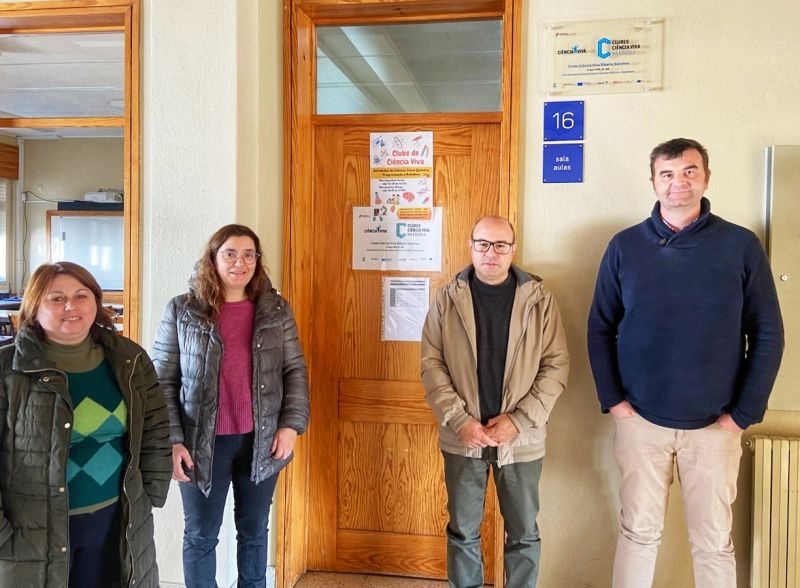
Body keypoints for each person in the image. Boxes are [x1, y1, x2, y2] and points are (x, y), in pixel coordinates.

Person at [587, 138, 784, 588]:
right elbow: (600, 327)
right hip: (640, 422)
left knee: (713, 543)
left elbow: (768, 335)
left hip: (716, 426)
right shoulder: (625, 246)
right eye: (668, 173)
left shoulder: (740, 245)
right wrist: (614, 401)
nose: (679, 182)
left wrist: (743, 415)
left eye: (690, 171)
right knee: (638, 534)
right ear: (653, 182)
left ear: (706, 178)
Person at [152, 224, 309, 588]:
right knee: (201, 535)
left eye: (249, 255)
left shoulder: (275, 310)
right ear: (213, 258)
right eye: (231, 254)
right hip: (199, 443)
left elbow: (294, 369)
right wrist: (172, 440)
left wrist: (290, 425)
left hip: (262, 440)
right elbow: (161, 381)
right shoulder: (182, 310)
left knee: (254, 532)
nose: (241, 263)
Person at [0, 261, 172, 587]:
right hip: (33, 534)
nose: (71, 306)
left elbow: (155, 428)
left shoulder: (129, 359)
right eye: (56, 298)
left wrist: (149, 493)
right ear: (34, 306)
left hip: (115, 521)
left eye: (81, 296)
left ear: (96, 302)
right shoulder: (7, 370)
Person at [421, 215, 570, 588]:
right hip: (463, 437)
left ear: (513, 249)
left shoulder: (539, 300)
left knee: (523, 533)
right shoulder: (446, 298)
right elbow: (431, 364)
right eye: (483, 244)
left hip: (521, 439)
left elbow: (556, 367)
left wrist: (518, 421)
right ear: (470, 247)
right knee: (462, 531)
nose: (492, 253)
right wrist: (459, 420)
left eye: (501, 245)